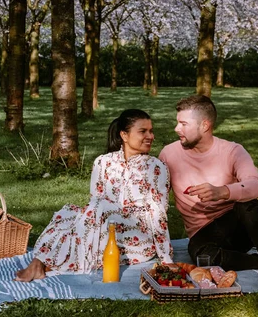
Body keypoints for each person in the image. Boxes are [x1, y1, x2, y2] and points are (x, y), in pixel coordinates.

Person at [158, 94, 258, 294]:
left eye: (183, 124)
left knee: (247, 203)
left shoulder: (232, 151)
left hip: (238, 226)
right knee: (203, 258)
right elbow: (157, 196)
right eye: (177, 123)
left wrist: (223, 191)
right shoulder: (169, 154)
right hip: (202, 234)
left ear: (205, 125)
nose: (177, 129)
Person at [15, 109, 173, 282]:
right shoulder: (103, 162)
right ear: (124, 135)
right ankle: (41, 263)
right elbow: (93, 208)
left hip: (138, 238)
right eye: (143, 131)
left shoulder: (156, 168)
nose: (150, 136)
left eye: (151, 131)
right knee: (67, 213)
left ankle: (44, 263)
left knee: (99, 207)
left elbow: (158, 211)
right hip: (103, 233)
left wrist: (165, 257)